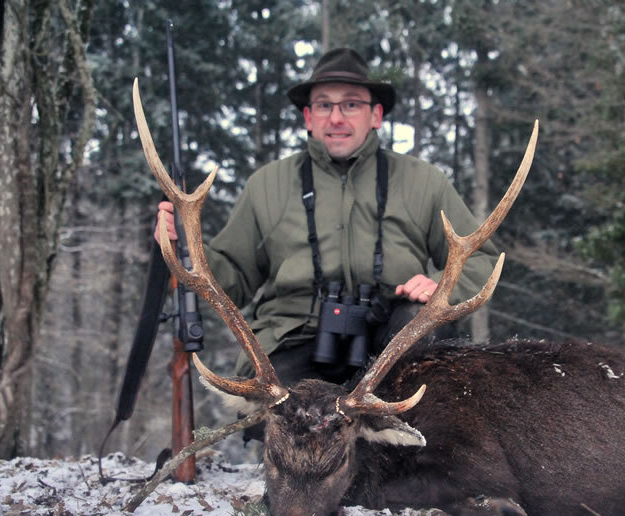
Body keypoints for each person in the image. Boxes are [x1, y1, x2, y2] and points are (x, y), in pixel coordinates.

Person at [155, 47, 498, 390]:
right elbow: (234, 278)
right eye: (323, 105)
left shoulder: (423, 181)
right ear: (308, 117)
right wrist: (187, 245)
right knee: (285, 410)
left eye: (350, 104)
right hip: (293, 341)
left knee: (422, 329)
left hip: (392, 343)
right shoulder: (266, 185)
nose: (336, 118)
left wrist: (441, 283)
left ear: (376, 115)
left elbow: (480, 259)